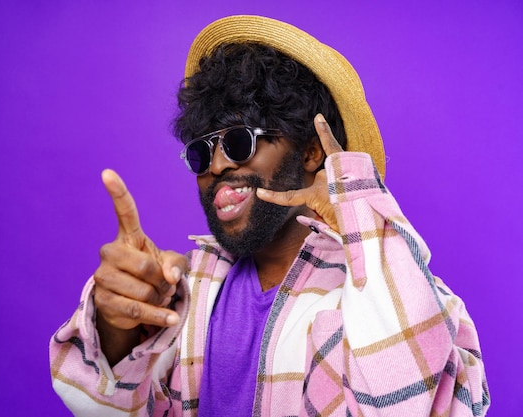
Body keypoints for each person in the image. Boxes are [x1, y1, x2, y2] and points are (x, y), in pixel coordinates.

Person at [49, 15, 489, 417]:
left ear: (312, 151)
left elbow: (406, 402)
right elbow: (107, 408)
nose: (217, 166)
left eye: (239, 141)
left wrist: (354, 200)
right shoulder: (187, 291)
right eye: (202, 152)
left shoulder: (417, 301)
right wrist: (114, 325)